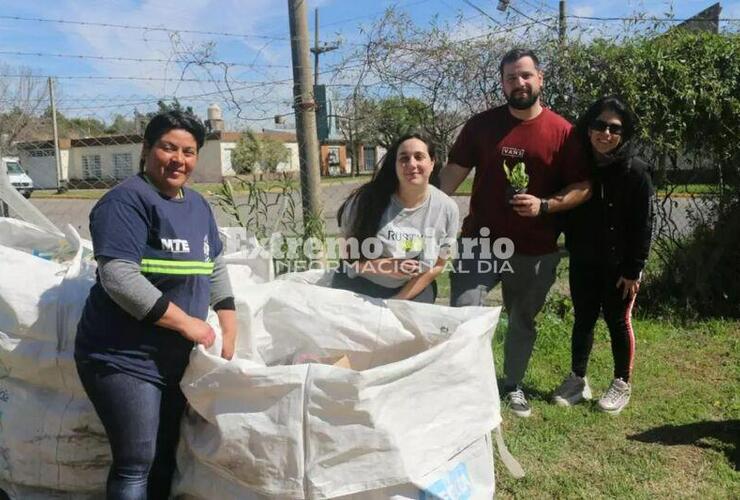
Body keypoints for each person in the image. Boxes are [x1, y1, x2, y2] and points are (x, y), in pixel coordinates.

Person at [75, 110, 238, 499]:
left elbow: (213, 265)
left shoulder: (198, 206)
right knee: (136, 460)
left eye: (189, 151)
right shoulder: (126, 202)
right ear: (147, 149)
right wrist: (188, 324)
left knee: (166, 457)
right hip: (123, 356)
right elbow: (119, 277)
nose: (178, 159)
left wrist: (229, 328)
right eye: (168, 148)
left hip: (174, 361)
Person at [439, 48, 591, 418]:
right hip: (480, 242)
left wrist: (545, 205)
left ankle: (513, 386)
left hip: (535, 249)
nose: (518, 83)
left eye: (525, 75)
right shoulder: (481, 126)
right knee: (464, 312)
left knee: (522, 319)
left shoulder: (563, 132)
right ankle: (463, 383)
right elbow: (449, 178)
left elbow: (583, 186)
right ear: (502, 84)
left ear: (540, 79)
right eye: (511, 78)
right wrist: (409, 205)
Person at [552, 96, 654, 414]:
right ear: (588, 128)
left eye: (614, 128)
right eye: (599, 125)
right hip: (584, 260)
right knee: (583, 320)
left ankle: (622, 382)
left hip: (620, 267)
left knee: (618, 321)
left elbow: (644, 223)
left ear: (624, 134)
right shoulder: (580, 167)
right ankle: (577, 380)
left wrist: (633, 269)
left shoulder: (636, 173)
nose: (605, 134)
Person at [332, 132, 459, 303]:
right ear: (395, 165)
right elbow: (345, 253)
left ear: (432, 162)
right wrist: (384, 266)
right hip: (360, 283)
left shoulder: (447, 208)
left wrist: (397, 301)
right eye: (404, 158)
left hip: (410, 288)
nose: (411, 164)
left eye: (419, 157)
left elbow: (437, 265)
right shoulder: (366, 200)